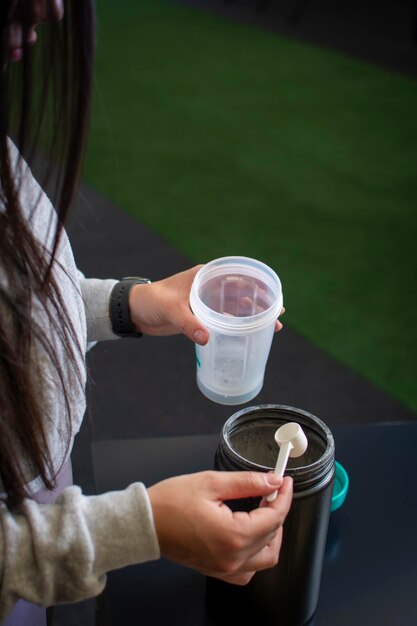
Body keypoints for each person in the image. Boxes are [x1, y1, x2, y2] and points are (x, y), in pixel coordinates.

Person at [0, 2, 293, 625]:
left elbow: (21, 311)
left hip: (50, 521)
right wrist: (143, 528)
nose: (52, 7)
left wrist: (133, 305)